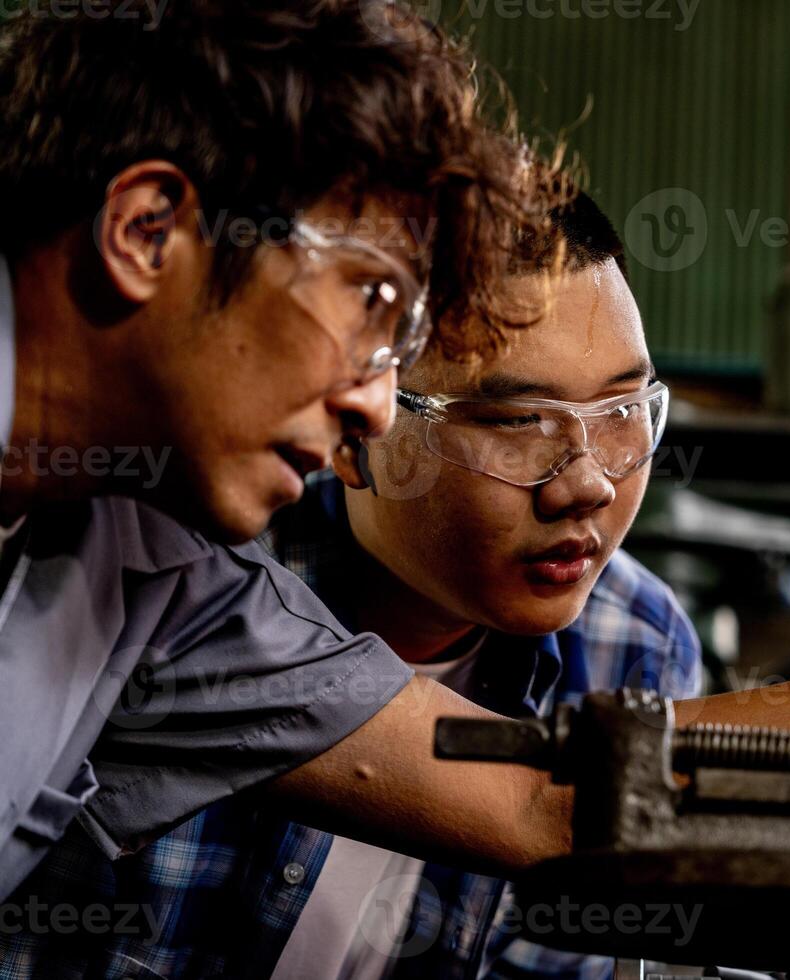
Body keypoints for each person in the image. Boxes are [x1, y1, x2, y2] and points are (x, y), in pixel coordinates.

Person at [0, 0, 790, 936]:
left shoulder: (164, 583)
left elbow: (545, 805)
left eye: (622, 414)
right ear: (148, 229)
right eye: (369, 298)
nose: (374, 403)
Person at [0, 196, 693, 978]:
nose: (589, 484)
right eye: (516, 420)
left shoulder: (636, 644)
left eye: (623, 408)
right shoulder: (186, 570)